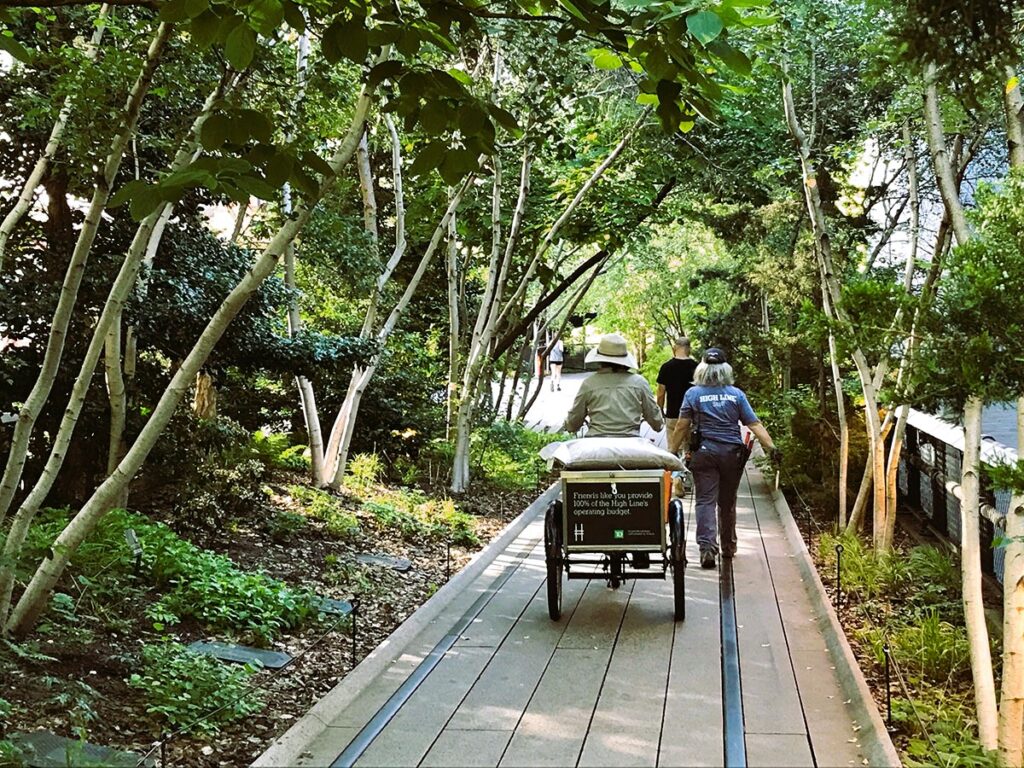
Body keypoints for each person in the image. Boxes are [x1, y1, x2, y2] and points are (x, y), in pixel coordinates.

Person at [668, 347, 780, 569]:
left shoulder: (693, 394)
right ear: (725, 370)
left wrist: (670, 452)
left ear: (702, 369)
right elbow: (753, 423)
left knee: (705, 500)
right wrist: (772, 447)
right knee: (727, 502)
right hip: (731, 454)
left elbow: (682, 425)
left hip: (704, 453)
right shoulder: (736, 394)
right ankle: (728, 546)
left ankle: (707, 548)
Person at [564, 333, 664, 437]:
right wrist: (658, 423)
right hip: (630, 441)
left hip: (596, 441)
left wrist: (570, 424)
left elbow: (574, 422)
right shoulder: (639, 383)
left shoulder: (589, 383)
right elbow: (655, 420)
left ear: (600, 359)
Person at [656, 336, 698, 430]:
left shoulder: (666, 367)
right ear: (689, 349)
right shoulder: (696, 367)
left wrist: (660, 410)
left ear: (675, 347)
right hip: (692, 416)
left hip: (672, 414)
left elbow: (660, 393)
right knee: (689, 444)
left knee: (673, 444)